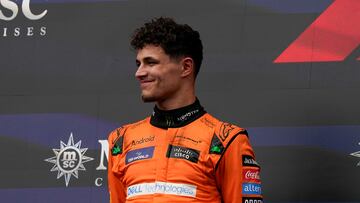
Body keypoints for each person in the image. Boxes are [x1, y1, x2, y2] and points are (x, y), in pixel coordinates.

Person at [107, 17, 262, 203]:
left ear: (186, 67)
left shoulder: (227, 140)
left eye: (151, 62)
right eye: (138, 64)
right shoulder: (120, 140)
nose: (139, 73)